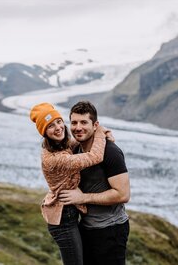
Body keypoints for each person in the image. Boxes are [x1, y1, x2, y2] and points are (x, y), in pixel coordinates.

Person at [29, 102, 112, 265]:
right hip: (63, 221)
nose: (58, 127)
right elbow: (94, 157)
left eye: (59, 121)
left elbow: (77, 142)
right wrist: (100, 131)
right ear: (44, 132)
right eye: (51, 126)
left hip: (69, 214)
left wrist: (101, 132)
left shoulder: (61, 145)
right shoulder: (55, 159)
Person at [58, 101, 130, 265]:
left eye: (84, 122)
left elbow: (123, 194)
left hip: (111, 230)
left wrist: (82, 198)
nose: (78, 127)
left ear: (95, 125)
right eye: (74, 122)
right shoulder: (76, 150)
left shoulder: (111, 152)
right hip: (87, 228)